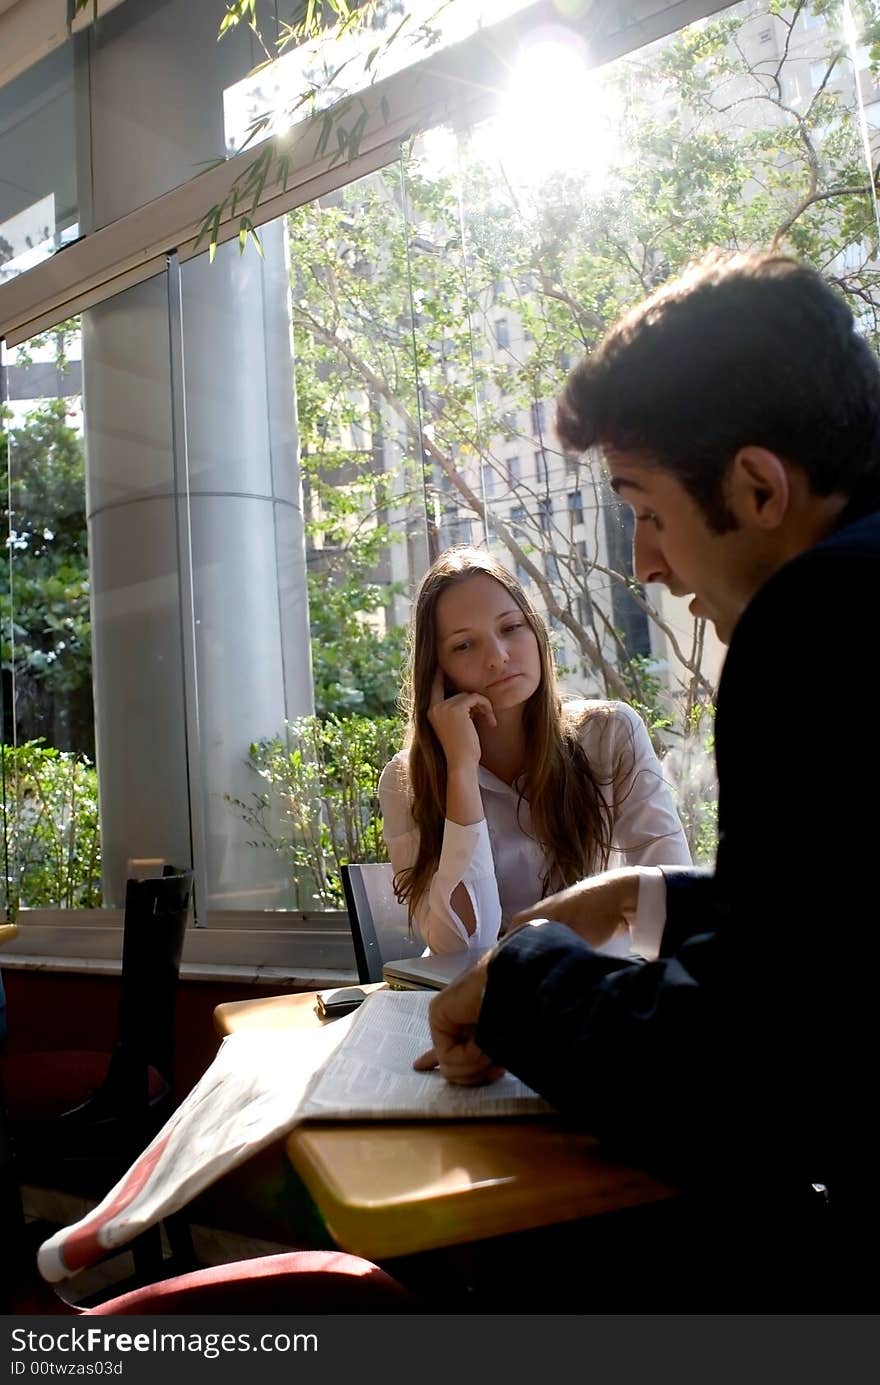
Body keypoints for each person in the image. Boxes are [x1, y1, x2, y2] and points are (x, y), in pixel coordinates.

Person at [414, 250, 880, 1308]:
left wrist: (524, 979)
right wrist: (647, 899)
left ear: (759, 486)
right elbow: (839, 937)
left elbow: (754, 1074)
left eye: (648, 509)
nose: (644, 564)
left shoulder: (817, 623)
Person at [378, 547, 691, 954]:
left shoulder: (610, 734)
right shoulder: (407, 780)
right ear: (438, 672)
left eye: (510, 628)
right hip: (482, 1002)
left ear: (536, 631)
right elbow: (460, 947)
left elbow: (673, 901)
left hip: (595, 988)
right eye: (464, 646)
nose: (498, 657)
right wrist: (460, 770)